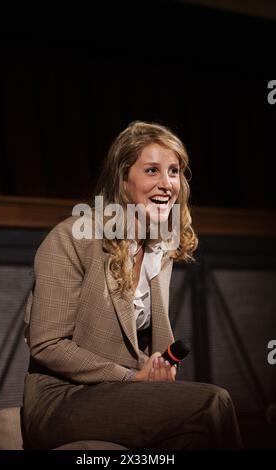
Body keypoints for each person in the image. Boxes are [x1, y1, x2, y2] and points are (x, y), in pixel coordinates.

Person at [22, 121, 243, 450]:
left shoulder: (160, 246)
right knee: (214, 402)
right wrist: (129, 376)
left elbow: (137, 347)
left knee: (192, 436)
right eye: (152, 170)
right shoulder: (73, 237)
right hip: (61, 400)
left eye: (174, 171)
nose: (167, 184)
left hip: (123, 393)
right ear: (123, 180)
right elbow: (46, 344)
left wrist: (151, 371)